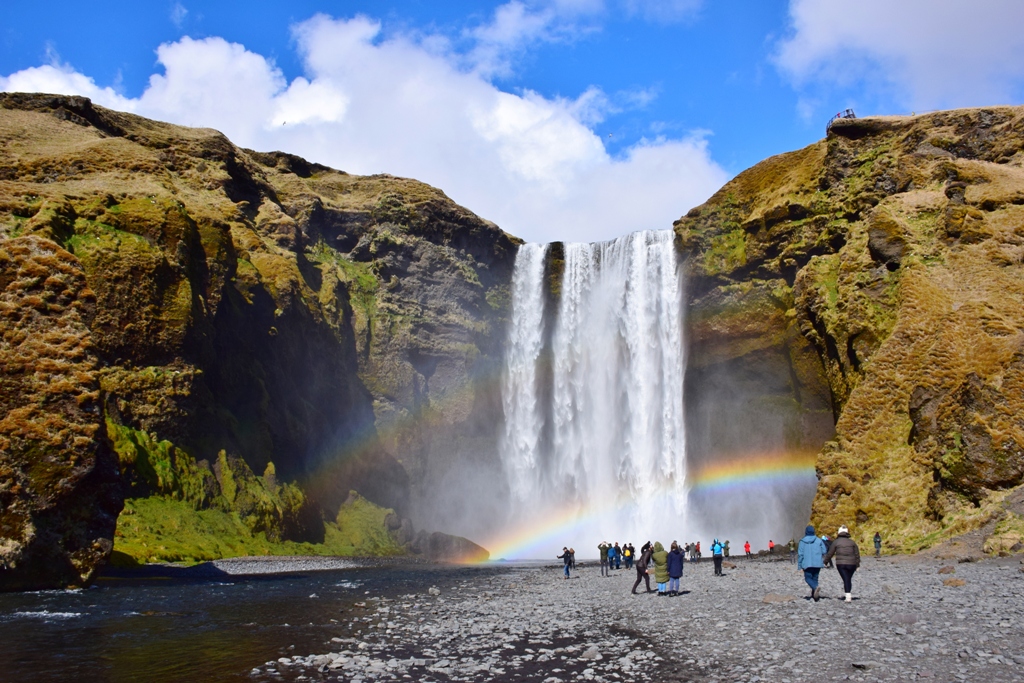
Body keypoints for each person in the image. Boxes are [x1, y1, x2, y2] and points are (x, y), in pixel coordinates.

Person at [823, 525, 860, 602]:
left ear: (839, 533)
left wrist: (825, 562)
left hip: (841, 564)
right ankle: (848, 594)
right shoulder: (852, 542)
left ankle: (848, 596)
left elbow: (830, 553)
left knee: (846, 579)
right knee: (848, 578)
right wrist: (857, 565)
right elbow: (857, 554)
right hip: (852, 563)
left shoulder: (836, 542)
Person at [797, 525, 827, 602]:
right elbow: (824, 551)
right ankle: (815, 596)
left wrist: (799, 566)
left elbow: (800, 554)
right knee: (815, 578)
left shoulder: (802, 541)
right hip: (817, 563)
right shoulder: (819, 540)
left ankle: (815, 588)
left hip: (807, 564)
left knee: (808, 578)